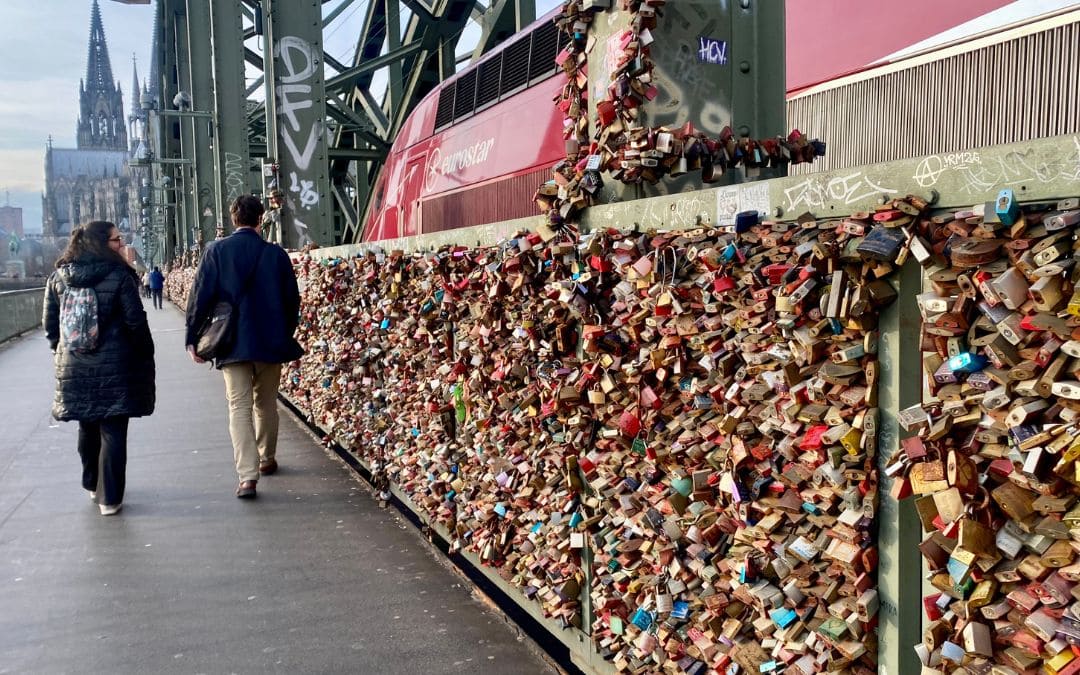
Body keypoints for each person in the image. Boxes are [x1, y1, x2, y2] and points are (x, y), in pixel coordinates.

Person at [184, 195, 303, 499]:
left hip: (232, 342)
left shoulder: (216, 252)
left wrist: (192, 337)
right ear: (261, 219)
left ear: (233, 219)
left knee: (238, 407)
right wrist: (283, 332)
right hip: (270, 342)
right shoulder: (276, 255)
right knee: (265, 403)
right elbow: (293, 301)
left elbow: (200, 297)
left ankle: (247, 477)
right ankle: (267, 458)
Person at [42, 221, 156, 516]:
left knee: (87, 424)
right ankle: (110, 498)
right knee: (113, 428)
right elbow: (135, 321)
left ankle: (92, 483)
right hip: (116, 365)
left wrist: (62, 351)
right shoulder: (119, 276)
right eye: (117, 240)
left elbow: (50, 326)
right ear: (101, 244)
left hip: (75, 365)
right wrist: (145, 352)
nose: (122, 244)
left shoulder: (58, 277)